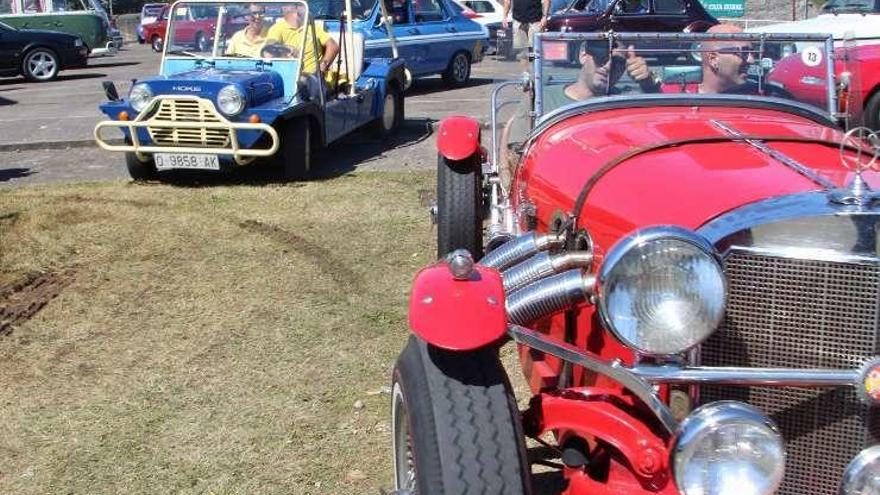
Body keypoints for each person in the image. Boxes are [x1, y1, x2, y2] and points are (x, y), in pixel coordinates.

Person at [499, 41, 653, 183]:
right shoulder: (542, 99)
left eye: (618, 62)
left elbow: (659, 133)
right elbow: (515, 157)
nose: (608, 66)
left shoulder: (627, 102)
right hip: (554, 185)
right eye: (601, 56)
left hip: (614, 183)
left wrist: (648, 83)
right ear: (583, 55)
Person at [264, 3, 340, 84]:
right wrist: (286, 50)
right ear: (284, 8)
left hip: (313, 79)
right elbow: (269, 49)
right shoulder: (277, 28)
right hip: (290, 77)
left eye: (299, 5)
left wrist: (321, 68)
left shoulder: (312, 27)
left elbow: (333, 46)